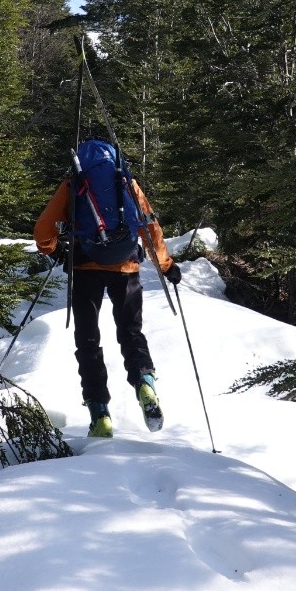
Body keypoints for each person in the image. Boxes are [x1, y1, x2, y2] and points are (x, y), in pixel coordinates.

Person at [34, 142, 183, 437]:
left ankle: (100, 414)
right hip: (125, 267)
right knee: (131, 332)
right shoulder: (126, 182)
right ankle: (144, 384)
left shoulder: (74, 183)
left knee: (88, 342)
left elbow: (42, 231)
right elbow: (150, 229)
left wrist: (55, 251)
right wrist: (166, 266)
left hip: (85, 269)